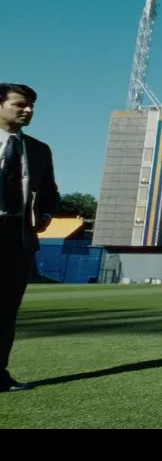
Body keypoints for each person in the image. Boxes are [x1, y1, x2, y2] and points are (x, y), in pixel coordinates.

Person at [0, 83, 58, 393]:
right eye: (20, 104)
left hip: (16, 237)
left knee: (5, 312)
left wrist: (45, 217)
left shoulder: (38, 149)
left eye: (32, 106)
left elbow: (50, 192)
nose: (28, 110)